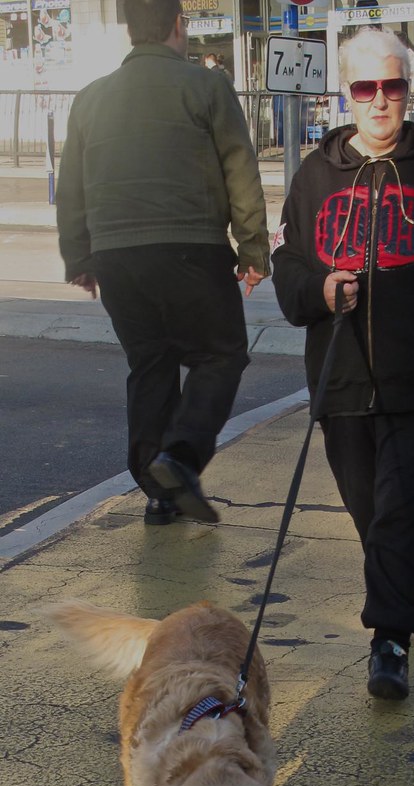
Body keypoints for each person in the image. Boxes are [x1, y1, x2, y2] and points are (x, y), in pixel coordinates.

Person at [271, 28, 414, 700]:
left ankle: (389, 640)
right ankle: (396, 610)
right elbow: (286, 264)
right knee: (372, 512)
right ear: (346, 94)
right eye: (366, 87)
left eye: (392, 86)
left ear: (408, 90)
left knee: (400, 507)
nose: (379, 100)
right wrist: (318, 291)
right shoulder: (313, 176)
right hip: (340, 379)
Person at [56, 0, 269, 526]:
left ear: (131, 31)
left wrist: (79, 256)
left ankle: (159, 495)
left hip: (116, 258)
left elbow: (71, 186)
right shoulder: (206, 86)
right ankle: (181, 457)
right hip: (190, 247)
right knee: (220, 354)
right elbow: (240, 169)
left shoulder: (90, 98)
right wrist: (252, 249)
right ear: (179, 25)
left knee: (150, 363)